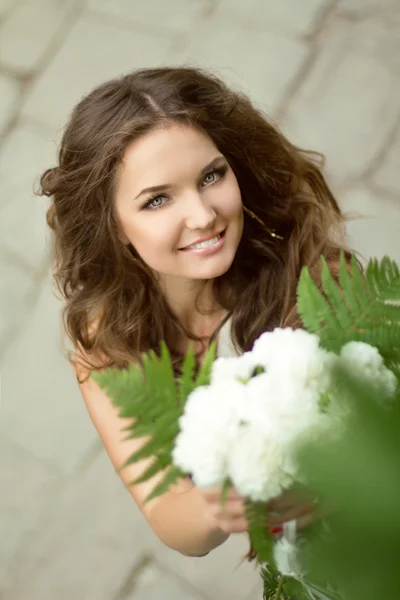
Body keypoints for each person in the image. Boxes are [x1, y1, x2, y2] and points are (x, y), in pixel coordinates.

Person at [38, 66, 358, 559]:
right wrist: (219, 505)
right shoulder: (110, 345)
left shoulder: (305, 270)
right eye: (158, 200)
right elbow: (168, 514)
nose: (204, 215)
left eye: (211, 176)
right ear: (115, 225)